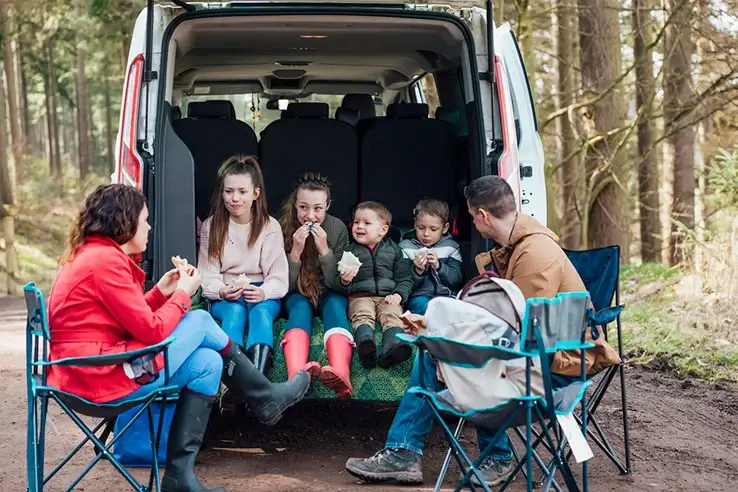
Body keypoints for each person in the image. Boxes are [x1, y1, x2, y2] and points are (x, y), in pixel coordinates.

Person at [345, 176, 619, 487]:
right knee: (435, 348)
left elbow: (521, 331)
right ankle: (409, 453)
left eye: (473, 217)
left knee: (445, 354)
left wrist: (453, 337)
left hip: (554, 364)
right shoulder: (519, 246)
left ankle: (460, 454)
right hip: (537, 352)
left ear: (483, 216)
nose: (473, 224)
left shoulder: (535, 254)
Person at [47, 184, 310, 492]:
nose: (149, 226)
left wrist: (161, 292)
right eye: (144, 219)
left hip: (93, 370)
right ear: (124, 221)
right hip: (100, 378)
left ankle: (178, 479)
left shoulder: (97, 256)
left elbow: (128, 321)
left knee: (208, 363)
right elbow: (151, 331)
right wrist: (184, 295)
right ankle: (264, 396)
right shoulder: (104, 262)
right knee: (199, 318)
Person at [198, 155, 288, 379]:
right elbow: (207, 273)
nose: (234, 198)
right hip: (226, 291)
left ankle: (257, 383)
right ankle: (232, 384)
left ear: (256, 194)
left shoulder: (270, 227)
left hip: (261, 290)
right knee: (235, 313)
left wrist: (263, 292)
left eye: (242, 191)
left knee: (261, 314)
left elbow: (278, 276)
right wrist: (221, 290)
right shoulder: (213, 226)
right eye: (228, 191)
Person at [278, 172, 354, 399]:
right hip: (297, 291)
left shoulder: (338, 228)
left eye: (318, 209)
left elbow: (337, 284)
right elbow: (285, 287)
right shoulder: (282, 228)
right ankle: (295, 377)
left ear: (327, 205)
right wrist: (295, 253)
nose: (310, 215)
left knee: (336, 307)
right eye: (303, 208)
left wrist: (324, 251)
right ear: (295, 206)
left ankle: (341, 372)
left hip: (329, 291)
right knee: (299, 309)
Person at [339, 201, 414, 370]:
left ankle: (393, 347)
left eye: (366, 223)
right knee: (362, 314)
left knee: (393, 314)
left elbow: (405, 278)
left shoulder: (394, 250)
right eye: (356, 222)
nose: (359, 226)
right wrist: (344, 281)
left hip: (388, 296)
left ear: (383, 230)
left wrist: (399, 295)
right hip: (361, 296)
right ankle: (366, 345)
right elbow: (340, 284)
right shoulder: (350, 251)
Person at [398, 199, 463, 315]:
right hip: (418, 296)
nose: (426, 234)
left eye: (433, 229)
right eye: (421, 228)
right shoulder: (405, 247)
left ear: (445, 228)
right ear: (414, 224)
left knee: (455, 311)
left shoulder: (451, 247)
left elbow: (456, 279)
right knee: (425, 308)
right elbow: (402, 281)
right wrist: (417, 271)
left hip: (447, 295)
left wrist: (439, 266)